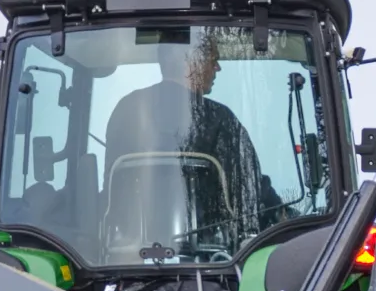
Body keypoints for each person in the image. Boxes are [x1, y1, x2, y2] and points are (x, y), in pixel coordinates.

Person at [103, 32, 285, 250]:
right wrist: (287, 220)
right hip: (207, 262)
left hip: (126, 257)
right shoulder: (218, 119)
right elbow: (251, 191)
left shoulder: (126, 110)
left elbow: (113, 193)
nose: (217, 68)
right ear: (190, 60)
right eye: (213, 60)